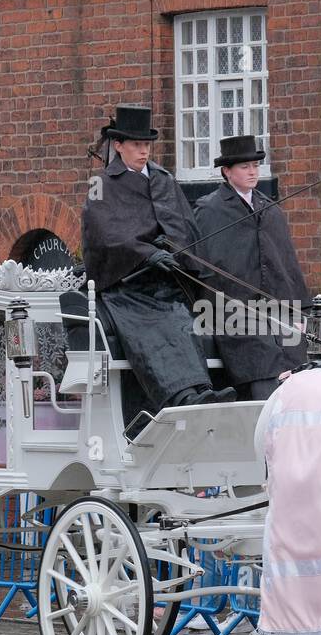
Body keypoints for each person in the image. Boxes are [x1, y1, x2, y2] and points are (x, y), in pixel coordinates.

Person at [81, 104, 235, 411]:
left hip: (166, 282)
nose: (143, 151)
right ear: (118, 145)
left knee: (180, 321)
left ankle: (199, 390)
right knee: (149, 329)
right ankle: (180, 396)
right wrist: (147, 254)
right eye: (136, 145)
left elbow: (184, 225)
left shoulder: (164, 179)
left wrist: (180, 256)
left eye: (147, 145)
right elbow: (102, 233)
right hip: (126, 287)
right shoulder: (101, 184)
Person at [194, 135, 309, 400]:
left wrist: (299, 311)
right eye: (245, 167)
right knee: (264, 365)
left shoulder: (269, 209)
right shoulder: (209, 210)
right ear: (227, 171)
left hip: (277, 311)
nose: (252, 172)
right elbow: (203, 270)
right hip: (231, 313)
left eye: (255, 166)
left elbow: (287, 265)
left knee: (297, 363)